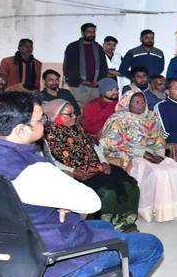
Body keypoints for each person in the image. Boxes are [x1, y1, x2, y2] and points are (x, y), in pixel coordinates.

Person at [0, 92, 162, 277]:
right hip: (51, 258)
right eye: (40, 120)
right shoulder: (33, 169)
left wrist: (57, 199)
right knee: (152, 245)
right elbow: (92, 202)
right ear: (20, 130)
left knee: (103, 225)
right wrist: (63, 200)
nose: (44, 124)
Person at [42, 99, 140, 232]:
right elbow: (52, 161)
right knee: (108, 192)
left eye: (74, 113)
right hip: (77, 172)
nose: (74, 117)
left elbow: (94, 147)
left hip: (96, 165)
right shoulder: (47, 135)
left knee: (129, 185)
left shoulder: (77, 128)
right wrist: (73, 171)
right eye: (69, 114)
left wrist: (104, 162)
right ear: (56, 116)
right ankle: (106, 227)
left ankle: (126, 222)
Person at [100, 90, 177, 222]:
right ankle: (147, 209)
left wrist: (159, 154)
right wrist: (142, 153)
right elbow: (112, 142)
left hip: (152, 154)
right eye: (136, 102)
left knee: (176, 171)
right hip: (129, 155)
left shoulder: (151, 117)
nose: (141, 105)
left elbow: (159, 138)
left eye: (143, 102)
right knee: (157, 173)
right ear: (127, 103)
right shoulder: (118, 119)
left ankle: (167, 209)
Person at [63, 23, 109, 106]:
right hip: (78, 86)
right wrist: (83, 82)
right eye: (89, 32)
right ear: (82, 33)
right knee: (78, 110)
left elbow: (104, 67)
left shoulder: (98, 48)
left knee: (93, 109)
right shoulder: (73, 47)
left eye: (93, 32)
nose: (92, 34)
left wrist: (99, 81)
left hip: (95, 87)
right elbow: (68, 68)